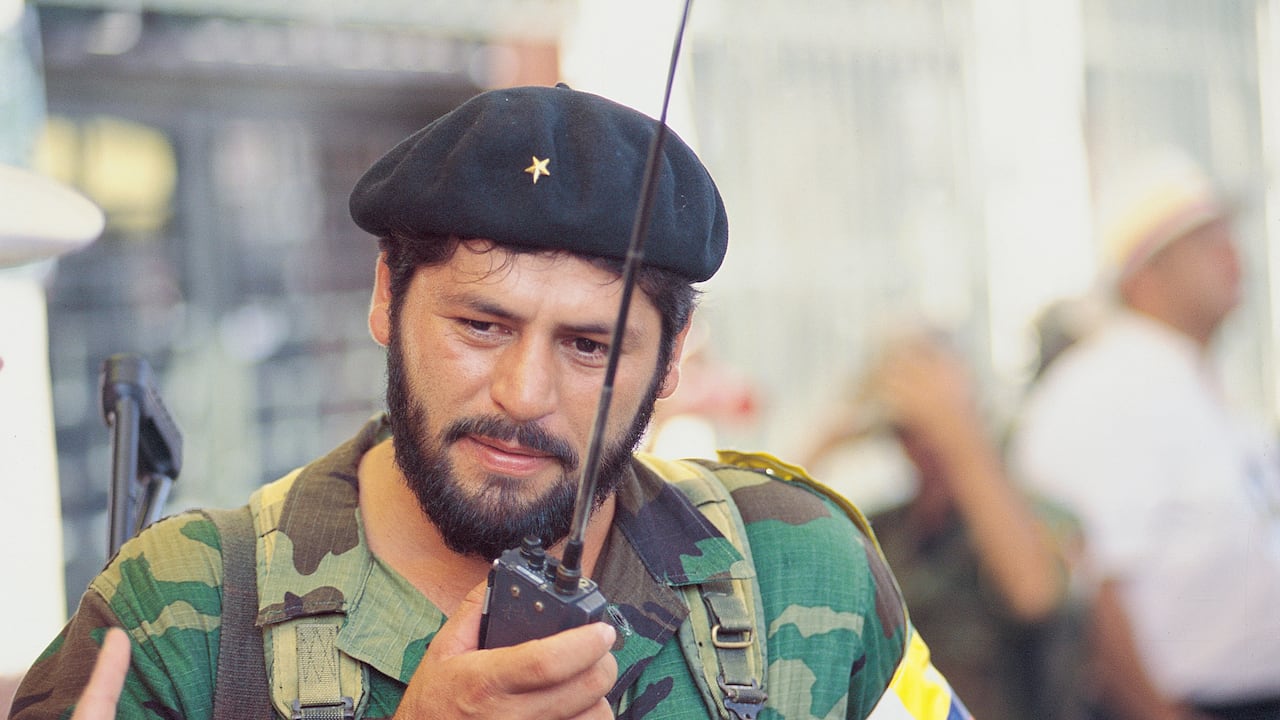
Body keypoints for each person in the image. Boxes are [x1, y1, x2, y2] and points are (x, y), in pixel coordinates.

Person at [10, 85, 969, 720]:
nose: (523, 395)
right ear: (386, 296)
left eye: (589, 345)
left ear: (672, 359)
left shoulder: (803, 571)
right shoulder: (184, 613)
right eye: (481, 326)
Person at [1009, 149, 1280, 720]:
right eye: (1204, 242)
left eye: (1228, 234)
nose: (1233, 256)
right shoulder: (1109, 386)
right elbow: (1095, 587)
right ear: (1144, 274)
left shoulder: (1190, 377)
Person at [803, 328, 1090, 720]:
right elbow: (764, 544)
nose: (924, 439)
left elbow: (1034, 595)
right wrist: (834, 430)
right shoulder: (884, 527)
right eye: (908, 428)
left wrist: (957, 428)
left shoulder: (1034, 515)